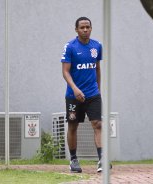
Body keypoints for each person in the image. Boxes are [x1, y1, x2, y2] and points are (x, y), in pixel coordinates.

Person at [61, 17, 104, 173]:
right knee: (73, 126)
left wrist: (98, 89)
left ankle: (102, 160)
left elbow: (97, 68)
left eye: (88, 27)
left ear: (91, 28)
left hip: (93, 94)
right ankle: (73, 160)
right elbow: (65, 72)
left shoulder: (97, 46)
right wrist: (75, 89)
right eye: (82, 27)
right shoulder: (70, 47)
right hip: (74, 95)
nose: (85, 30)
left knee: (98, 124)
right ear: (76, 30)